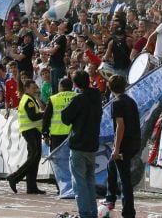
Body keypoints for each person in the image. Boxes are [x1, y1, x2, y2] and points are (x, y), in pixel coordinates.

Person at [61, 70, 102, 218]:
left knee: (79, 182)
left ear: (75, 84)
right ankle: (92, 212)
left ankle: (85, 213)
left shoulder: (79, 99)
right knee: (90, 180)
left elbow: (65, 117)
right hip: (92, 143)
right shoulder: (96, 96)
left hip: (79, 144)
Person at [103, 75, 139, 218]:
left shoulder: (116, 103)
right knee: (111, 167)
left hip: (124, 144)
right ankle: (110, 198)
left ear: (110, 87)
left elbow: (120, 126)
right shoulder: (131, 101)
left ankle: (128, 212)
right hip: (134, 141)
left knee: (124, 178)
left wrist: (116, 149)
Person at [6, 80, 45, 195]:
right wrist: (45, 113)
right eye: (33, 88)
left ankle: (31, 186)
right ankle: (15, 177)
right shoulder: (28, 100)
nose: (36, 90)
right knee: (34, 156)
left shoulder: (29, 99)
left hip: (33, 130)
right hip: (30, 130)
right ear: (27, 88)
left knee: (34, 157)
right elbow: (33, 117)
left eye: (36, 88)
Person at [42, 77, 77, 197]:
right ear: (71, 86)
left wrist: (45, 134)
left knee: (58, 163)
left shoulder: (53, 98)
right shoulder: (76, 96)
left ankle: (61, 188)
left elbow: (46, 117)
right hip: (73, 134)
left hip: (57, 135)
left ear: (60, 87)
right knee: (73, 161)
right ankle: (75, 187)